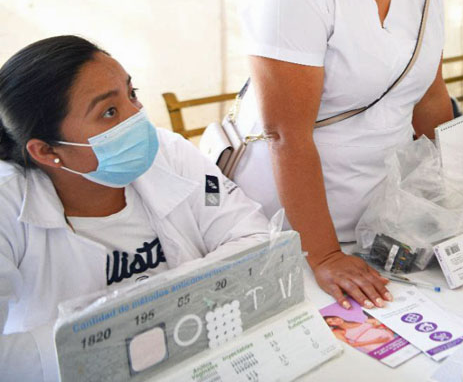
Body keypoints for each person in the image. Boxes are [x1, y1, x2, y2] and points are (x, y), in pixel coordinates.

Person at [233, 0, 453, 312]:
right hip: (303, 228)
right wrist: (325, 254)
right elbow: (285, 135)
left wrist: (449, 193)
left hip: (388, 219)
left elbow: (431, 96)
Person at [0, 36, 271, 380]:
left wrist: (142, 322)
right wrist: (144, 324)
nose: (137, 118)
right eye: (109, 112)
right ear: (45, 151)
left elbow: (255, 239)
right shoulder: (8, 204)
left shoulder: (170, 154)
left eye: (132, 95)